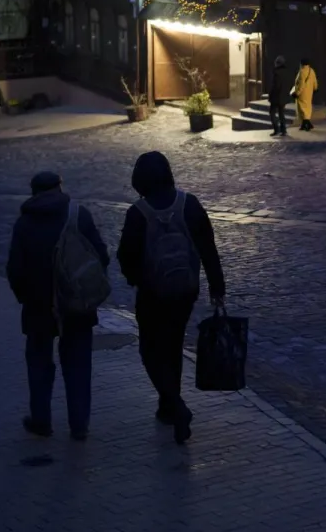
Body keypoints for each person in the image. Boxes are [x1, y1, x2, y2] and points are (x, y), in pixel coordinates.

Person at [117, 151, 225, 445]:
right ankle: (168, 405)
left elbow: (125, 255)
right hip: (185, 290)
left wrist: (135, 278)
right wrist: (217, 286)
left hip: (153, 293)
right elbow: (208, 248)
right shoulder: (189, 204)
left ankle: (175, 405)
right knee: (173, 345)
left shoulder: (138, 213)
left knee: (151, 350)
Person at [5, 171, 108, 441]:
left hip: (38, 307)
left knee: (39, 362)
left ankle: (41, 420)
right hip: (77, 304)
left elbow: (14, 270)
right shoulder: (78, 215)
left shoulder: (24, 223)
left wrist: (26, 297)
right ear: (60, 187)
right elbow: (101, 256)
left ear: (33, 191)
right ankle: (79, 425)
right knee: (78, 364)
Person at [293, 57, 318, 132]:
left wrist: (297, 93)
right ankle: (305, 124)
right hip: (309, 91)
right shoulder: (311, 70)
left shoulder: (302, 72)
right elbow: (314, 81)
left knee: (302, 109)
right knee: (307, 107)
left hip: (302, 93)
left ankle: (306, 124)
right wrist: (315, 88)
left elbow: (301, 84)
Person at [267, 55, 289, 137]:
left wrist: (270, 96)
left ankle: (277, 129)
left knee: (272, 113)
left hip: (276, 97)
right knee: (281, 113)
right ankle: (283, 130)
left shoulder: (276, 73)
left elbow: (275, 86)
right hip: (283, 96)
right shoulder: (286, 72)